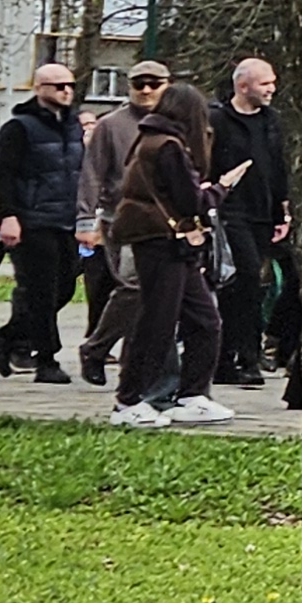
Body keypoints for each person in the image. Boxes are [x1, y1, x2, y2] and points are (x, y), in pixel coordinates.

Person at [104, 83, 234, 427]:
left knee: (204, 318)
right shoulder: (169, 147)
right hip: (161, 239)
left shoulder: (150, 138)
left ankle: (192, 395)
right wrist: (223, 188)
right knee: (157, 322)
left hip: (163, 239)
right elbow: (192, 202)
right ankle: (128, 401)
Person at [73, 61, 176, 390]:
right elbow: (92, 174)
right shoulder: (111, 125)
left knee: (156, 298)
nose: (146, 90)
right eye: (138, 83)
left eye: (153, 83)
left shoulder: (178, 122)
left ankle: (136, 373)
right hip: (123, 219)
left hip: (168, 220)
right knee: (134, 286)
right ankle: (98, 346)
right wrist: (86, 220)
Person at [0, 63, 84, 382]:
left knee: (65, 286)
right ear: (39, 88)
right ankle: (47, 360)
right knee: (40, 290)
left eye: (69, 85)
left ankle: (9, 335)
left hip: (66, 218)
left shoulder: (72, 126)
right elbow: (3, 175)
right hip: (31, 219)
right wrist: (7, 216)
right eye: (58, 86)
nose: (66, 91)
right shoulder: (19, 128)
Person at [210, 58, 297, 389]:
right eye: (265, 83)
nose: (271, 88)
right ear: (243, 86)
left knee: (251, 288)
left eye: (273, 82)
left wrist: (281, 212)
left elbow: (277, 170)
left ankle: (230, 355)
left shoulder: (273, 123)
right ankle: (243, 357)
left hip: (263, 213)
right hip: (229, 213)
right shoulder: (218, 120)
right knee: (243, 278)